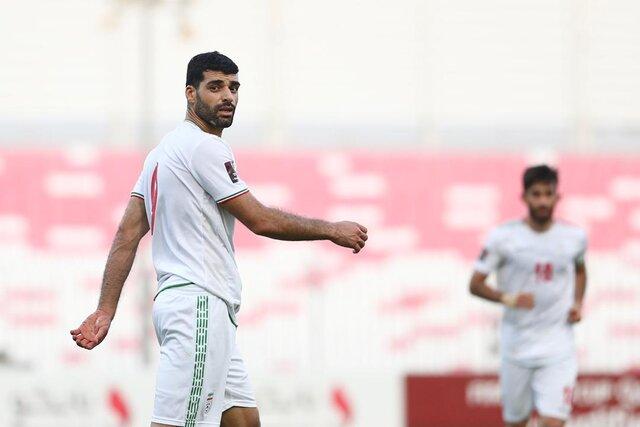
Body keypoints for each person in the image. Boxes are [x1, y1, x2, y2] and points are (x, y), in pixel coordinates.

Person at [70, 51, 368, 427]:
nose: (228, 96)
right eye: (215, 87)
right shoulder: (204, 146)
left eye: (233, 87)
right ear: (190, 93)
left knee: (242, 420)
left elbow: (127, 234)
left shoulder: (160, 154)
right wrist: (331, 230)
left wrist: (105, 309)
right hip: (199, 304)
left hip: (192, 304)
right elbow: (259, 219)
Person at [469, 165, 587, 427]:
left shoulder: (574, 237)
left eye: (548, 194)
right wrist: (507, 298)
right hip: (517, 345)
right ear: (524, 197)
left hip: (558, 346)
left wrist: (577, 303)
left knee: (554, 422)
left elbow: (580, 270)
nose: (543, 201)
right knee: (516, 422)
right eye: (536, 194)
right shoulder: (503, 238)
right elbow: (475, 284)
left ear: (557, 197)